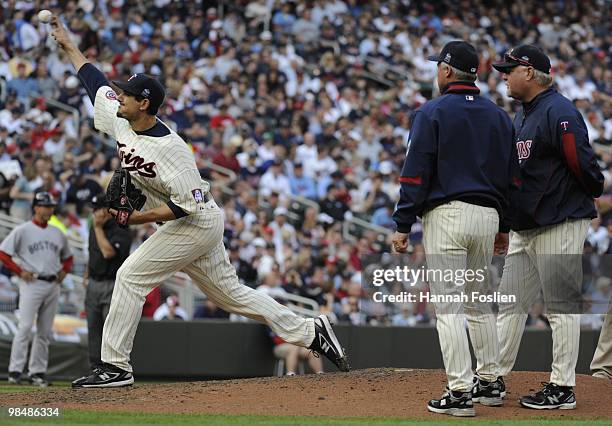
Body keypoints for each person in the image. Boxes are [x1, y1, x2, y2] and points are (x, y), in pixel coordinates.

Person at [48, 15, 348, 388]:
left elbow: (185, 207)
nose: (118, 96)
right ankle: (311, 330)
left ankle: (115, 367)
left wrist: (135, 220)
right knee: (233, 297)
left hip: (195, 221)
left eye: (125, 93)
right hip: (185, 223)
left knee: (129, 276)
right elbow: (93, 81)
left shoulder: (174, 150)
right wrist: (68, 45)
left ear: (144, 103)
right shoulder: (121, 118)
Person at [391, 41, 517, 417]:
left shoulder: (431, 112)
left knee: (449, 307)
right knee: (478, 302)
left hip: (448, 215)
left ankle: (460, 391)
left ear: (446, 71)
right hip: (488, 216)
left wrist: (402, 223)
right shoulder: (498, 117)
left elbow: (415, 173)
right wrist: (504, 227)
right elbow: (512, 179)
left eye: (437, 67)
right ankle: (490, 381)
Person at [492, 45, 604, 410]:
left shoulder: (559, 110)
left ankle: (562, 387)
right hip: (526, 225)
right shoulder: (522, 115)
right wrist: (506, 223)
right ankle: (491, 377)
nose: (504, 75)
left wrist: (582, 198)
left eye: (509, 69)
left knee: (560, 306)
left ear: (530, 73)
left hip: (560, 220)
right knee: (510, 303)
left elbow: (583, 164)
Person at [0, 192, 73, 386]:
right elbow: (3, 253)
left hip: (52, 284)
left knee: (44, 332)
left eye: (51, 206)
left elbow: (69, 258)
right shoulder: (22, 230)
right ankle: (15, 371)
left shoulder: (57, 232)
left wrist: (65, 271)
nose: (50, 209)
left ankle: (37, 372)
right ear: (36, 207)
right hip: (31, 283)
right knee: (24, 327)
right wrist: (19, 271)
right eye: (46, 206)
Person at [83, 194, 132, 371]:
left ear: (108, 210)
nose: (94, 213)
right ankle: (95, 369)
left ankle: (111, 368)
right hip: (94, 283)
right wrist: (86, 274)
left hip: (113, 285)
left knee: (110, 329)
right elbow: (93, 253)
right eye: (93, 209)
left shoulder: (121, 228)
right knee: (93, 328)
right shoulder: (94, 228)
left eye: (97, 209)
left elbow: (108, 253)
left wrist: (97, 229)